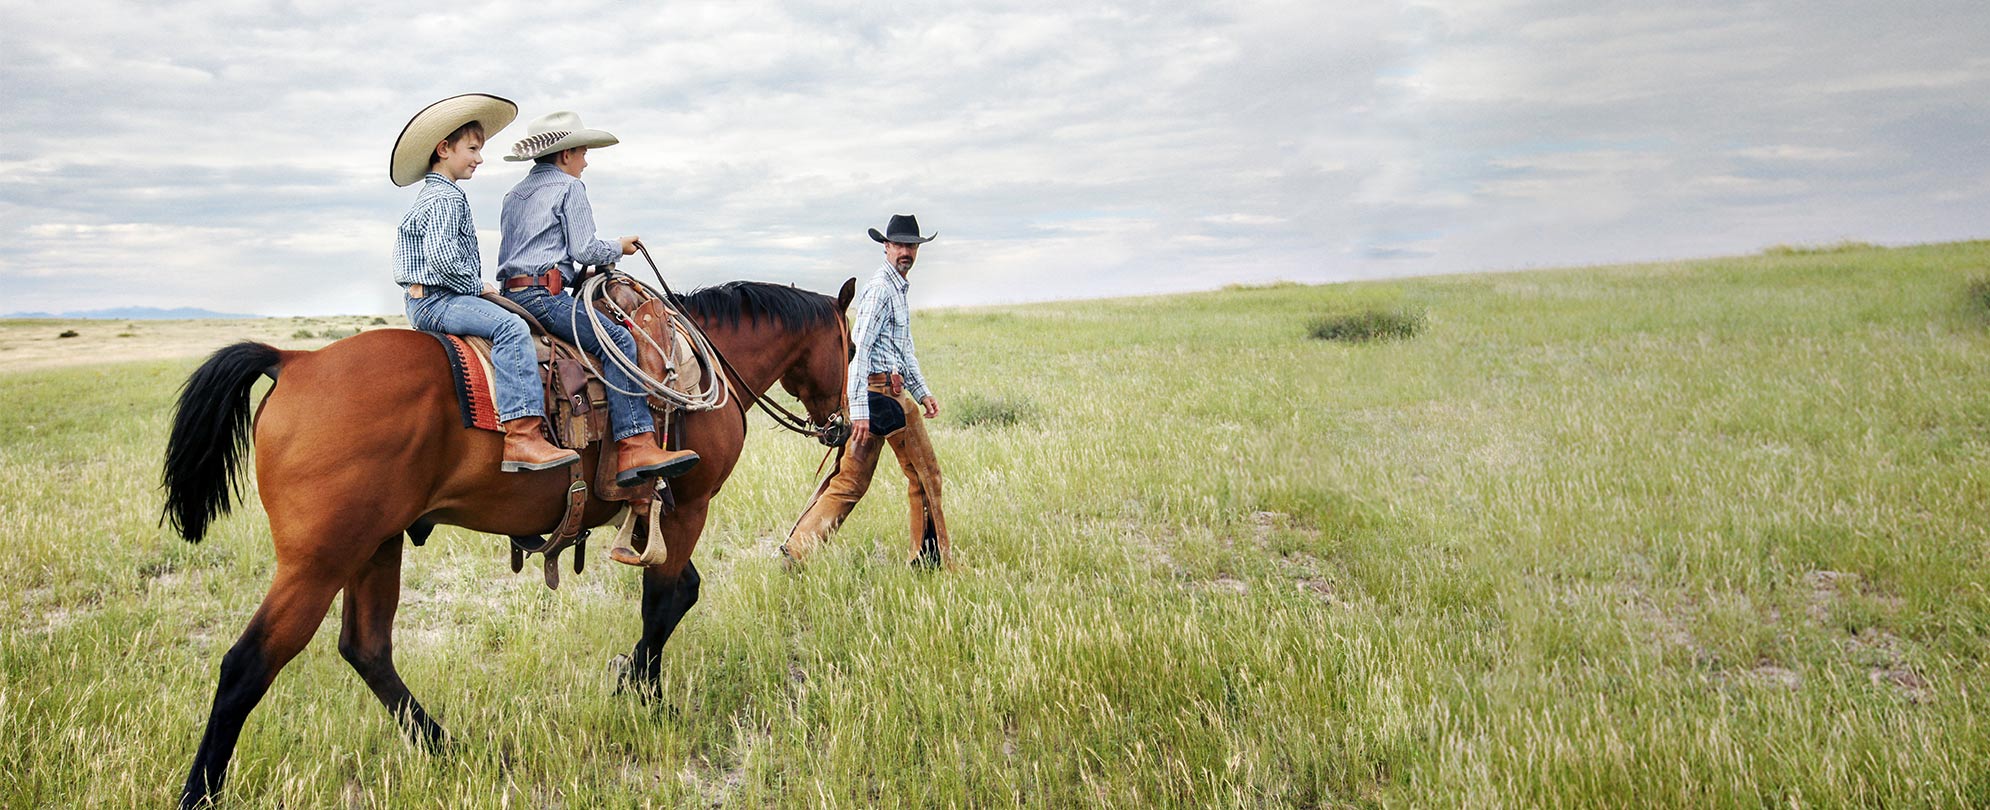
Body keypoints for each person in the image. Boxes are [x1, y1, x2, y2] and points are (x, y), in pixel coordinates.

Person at [496, 111, 699, 494]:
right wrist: (619, 247)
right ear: (566, 153)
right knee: (619, 342)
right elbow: (584, 248)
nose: (586, 162)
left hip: (513, 296)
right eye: (583, 153)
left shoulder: (514, 195)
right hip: (544, 298)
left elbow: (531, 251)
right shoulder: (570, 188)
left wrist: (572, 275)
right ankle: (636, 445)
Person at [390, 93, 578, 473]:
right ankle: (523, 436)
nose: (479, 158)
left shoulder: (438, 194)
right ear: (444, 149)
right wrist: (479, 287)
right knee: (511, 327)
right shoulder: (446, 198)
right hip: (438, 299)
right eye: (472, 149)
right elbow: (443, 260)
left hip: (427, 297)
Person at [784, 214, 951, 567]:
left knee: (850, 483)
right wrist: (858, 410)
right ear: (886, 247)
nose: (906, 251)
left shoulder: (897, 288)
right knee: (926, 476)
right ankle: (930, 562)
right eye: (900, 245)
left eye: (912, 246)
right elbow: (858, 350)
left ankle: (797, 553)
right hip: (882, 398)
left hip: (886, 396)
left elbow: (903, 349)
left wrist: (922, 391)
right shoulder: (880, 290)